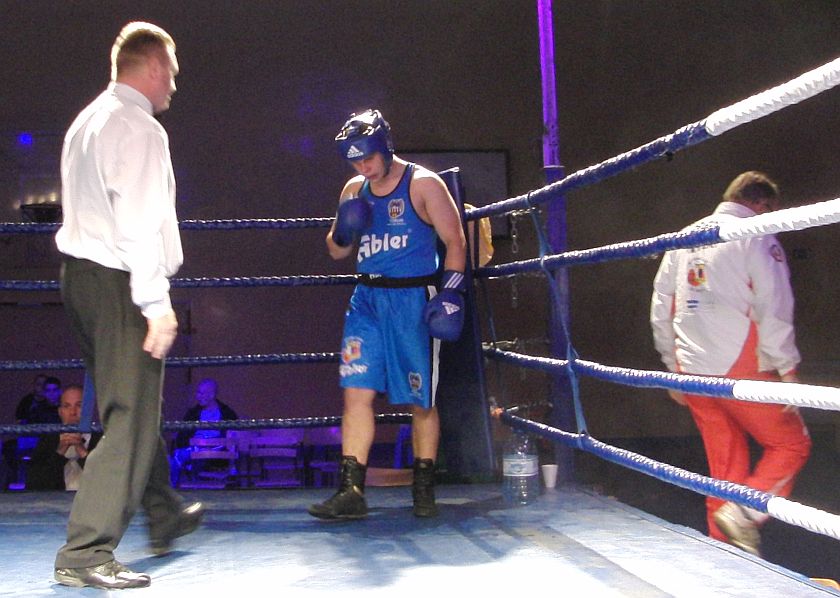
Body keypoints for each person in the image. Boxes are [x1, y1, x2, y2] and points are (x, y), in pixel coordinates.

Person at [52, 22, 203, 589]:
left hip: (81, 280)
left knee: (132, 404)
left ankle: (163, 511)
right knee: (129, 417)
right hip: (119, 283)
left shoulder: (88, 119)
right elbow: (137, 223)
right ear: (156, 67)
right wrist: (155, 303)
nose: (175, 87)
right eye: (173, 74)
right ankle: (85, 551)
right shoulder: (139, 127)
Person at [308, 109, 467, 520]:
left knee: (420, 400)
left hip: (412, 299)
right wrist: (344, 229)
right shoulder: (353, 189)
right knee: (356, 392)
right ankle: (350, 492)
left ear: (385, 147)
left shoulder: (424, 184)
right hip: (366, 301)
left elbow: (455, 240)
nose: (363, 166)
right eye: (355, 161)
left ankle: (423, 489)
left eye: (368, 157)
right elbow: (337, 251)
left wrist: (451, 293)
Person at [650, 171, 811, 557]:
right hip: (740, 365)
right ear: (761, 205)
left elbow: (661, 308)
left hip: (692, 368)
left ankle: (724, 558)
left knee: (725, 469)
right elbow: (774, 304)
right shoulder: (756, 234)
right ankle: (744, 513)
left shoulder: (683, 238)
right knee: (792, 443)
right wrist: (787, 368)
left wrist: (672, 367)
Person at [28, 385, 102, 491]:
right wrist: (59, 452)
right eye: (67, 406)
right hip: (56, 501)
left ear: (89, 409)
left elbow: (110, 482)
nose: (73, 412)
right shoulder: (48, 439)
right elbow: (35, 485)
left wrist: (83, 452)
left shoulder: (103, 439)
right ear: (60, 411)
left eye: (79, 405)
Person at [170, 378, 238, 486]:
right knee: (173, 457)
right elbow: (182, 436)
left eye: (202, 393)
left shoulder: (227, 413)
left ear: (212, 395)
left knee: (180, 457)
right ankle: (173, 487)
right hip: (194, 449)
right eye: (198, 393)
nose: (198, 396)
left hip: (218, 451)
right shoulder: (192, 413)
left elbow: (234, 436)